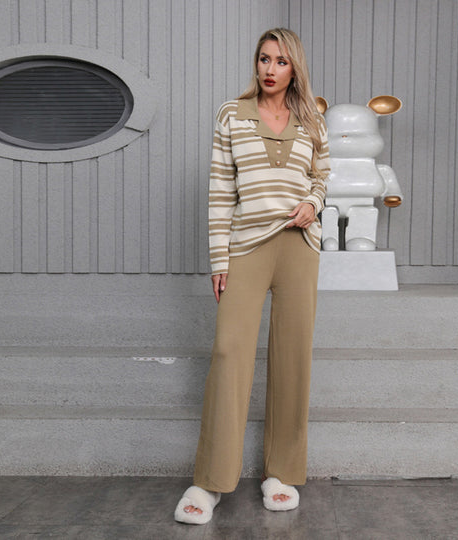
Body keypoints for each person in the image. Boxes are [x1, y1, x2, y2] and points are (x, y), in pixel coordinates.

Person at [174, 27, 330, 525]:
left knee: (292, 357)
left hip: (299, 246)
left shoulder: (312, 119)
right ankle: (211, 481)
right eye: (264, 59)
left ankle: (280, 472)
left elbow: (322, 176)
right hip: (246, 246)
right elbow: (221, 189)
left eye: (280, 61)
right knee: (229, 352)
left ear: (294, 68)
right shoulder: (232, 114)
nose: (270, 69)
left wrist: (313, 204)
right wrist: (219, 260)